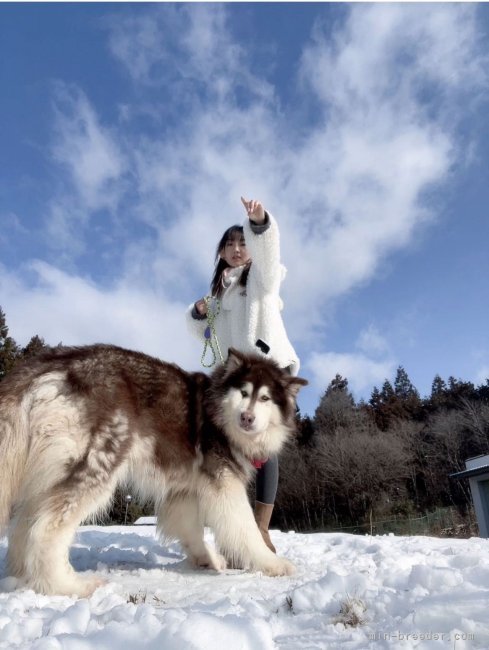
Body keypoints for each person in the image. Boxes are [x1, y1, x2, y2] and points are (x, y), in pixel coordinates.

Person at [186, 196, 300, 552]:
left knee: (264, 446)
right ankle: (235, 528)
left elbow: (268, 253)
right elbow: (204, 336)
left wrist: (260, 223)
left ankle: (261, 529)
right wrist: (199, 312)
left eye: (242, 243)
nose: (237, 249)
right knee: (232, 449)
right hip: (236, 379)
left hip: (267, 369)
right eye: (230, 244)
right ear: (220, 252)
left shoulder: (261, 278)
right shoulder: (218, 290)